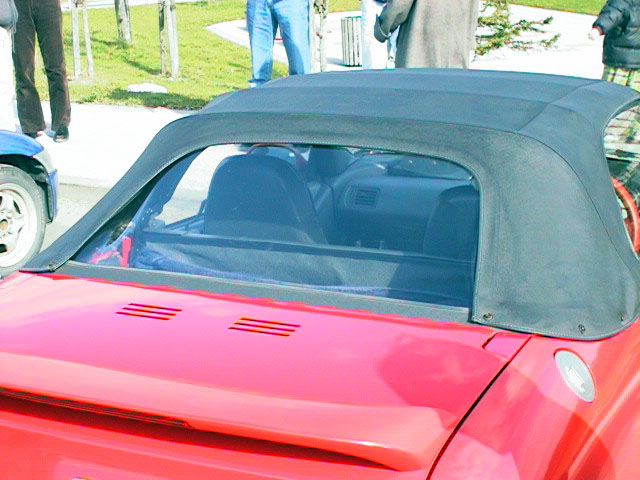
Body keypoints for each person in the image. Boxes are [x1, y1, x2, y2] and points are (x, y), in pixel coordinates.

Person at [13, 0, 70, 141]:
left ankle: (61, 122)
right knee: (23, 67)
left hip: (48, 4)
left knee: (56, 65)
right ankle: (30, 124)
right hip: (19, 6)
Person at [373, 0, 479, 69]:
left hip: (420, 46)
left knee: (414, 91)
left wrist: (382, 28)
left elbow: (400, 4)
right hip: (457, 47)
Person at [246, 0, 311, 87]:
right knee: (258, 78)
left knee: (300, 74)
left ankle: (301, 95)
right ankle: (258, 96)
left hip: (291, 3)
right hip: (258, 4)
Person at [590, 0, 640, 93]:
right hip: (629, 60)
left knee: (611, 94)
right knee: (634, 95)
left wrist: (598, 28)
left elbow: (611, 14)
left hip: (619, 60)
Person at [0, 0, 17, 131]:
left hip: (6, 28)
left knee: (6, 86)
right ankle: (5, 131)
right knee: (3, 86)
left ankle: (6, 130)